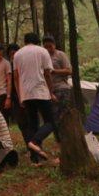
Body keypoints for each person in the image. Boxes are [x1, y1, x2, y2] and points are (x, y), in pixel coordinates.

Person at [13, 32, 58, 164]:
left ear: (25, 41)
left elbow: (16, 77)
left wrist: (20, 95)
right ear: (37, 41)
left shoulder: (18, 54)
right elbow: (47, 74)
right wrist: (51, 92)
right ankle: (35, 142)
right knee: (51, 122)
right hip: (41, 92)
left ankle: (35, 160)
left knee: (33, 124)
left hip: (26, 94)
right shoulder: (42, 51)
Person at [42, 35, 73, 138]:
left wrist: (54, 71)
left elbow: (69, 70)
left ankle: (66, 137)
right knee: (53, 116)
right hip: (49, 90)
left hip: (62, 88)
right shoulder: (43, 57)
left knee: (63, 114)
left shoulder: (60, 55)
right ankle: (59, 138)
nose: (48, 49)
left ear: (54, 45)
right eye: (45, 47)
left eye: (50, 46)